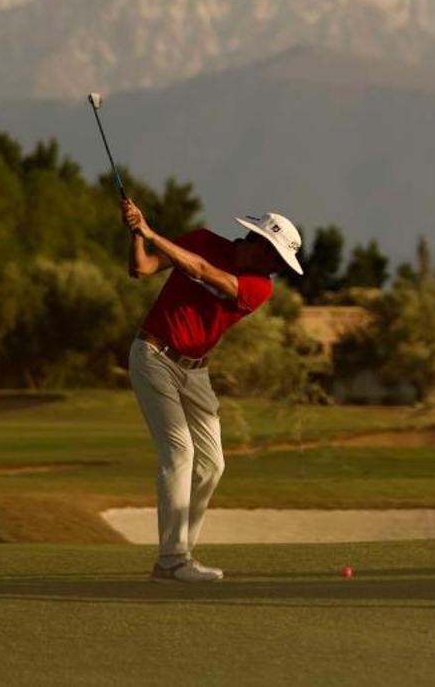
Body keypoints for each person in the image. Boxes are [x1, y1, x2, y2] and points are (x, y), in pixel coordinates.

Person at [121, 195, 303, 583]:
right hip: (154, 355)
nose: (276, 269)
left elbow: (202, 271)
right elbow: (142, 268)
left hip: (196, 371)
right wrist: (138, 234)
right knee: (180, 452)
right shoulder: (202, 239)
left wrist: (152, 231)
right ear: (259, 244)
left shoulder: (259, 287)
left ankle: (181, 553)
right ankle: (172, 560)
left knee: (213, 463)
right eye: (275, 259)